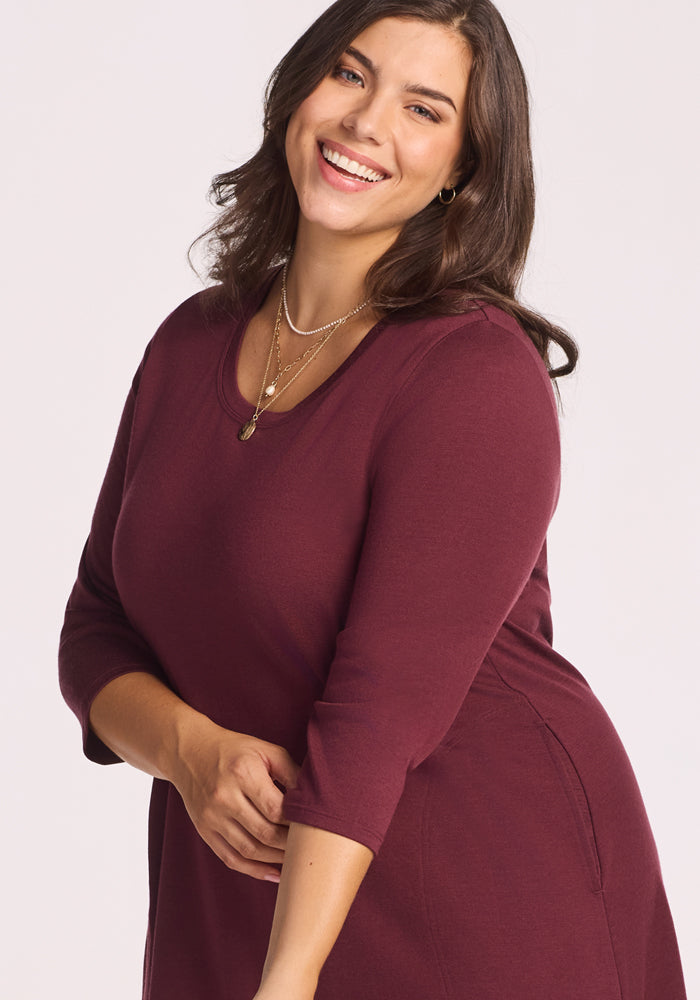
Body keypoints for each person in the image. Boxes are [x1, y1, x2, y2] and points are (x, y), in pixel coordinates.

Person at [58, 1, 688, 998]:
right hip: (239, 892)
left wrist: (289, 979)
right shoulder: (189, 344)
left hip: (475, 895)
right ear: (298, 89)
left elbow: (375, 715)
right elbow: (96, 627)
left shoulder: (473, 374)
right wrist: (191, 751)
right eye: (349, 75)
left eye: (423, 108)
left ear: (463, 170)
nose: (365, 124)